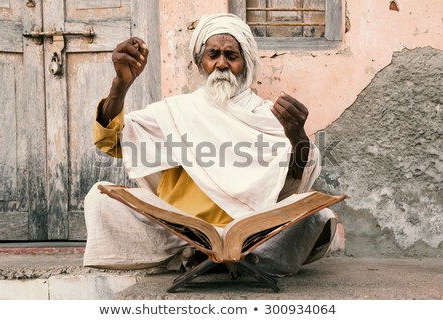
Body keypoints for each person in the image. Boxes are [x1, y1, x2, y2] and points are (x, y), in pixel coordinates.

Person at [84, 13, 337, 276]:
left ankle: (220, 256)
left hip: (252, 232)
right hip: (182, 229)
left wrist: (297, 134)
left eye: (231, 56)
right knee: (100, 198)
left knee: (318, 216)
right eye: (213, 54)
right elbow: (111, 142)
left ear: (246, 63)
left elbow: (298, 177)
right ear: (200, 62)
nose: (221, 64)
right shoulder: (175, 111)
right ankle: (207, 254)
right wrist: (120, 86)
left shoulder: (267, 115)